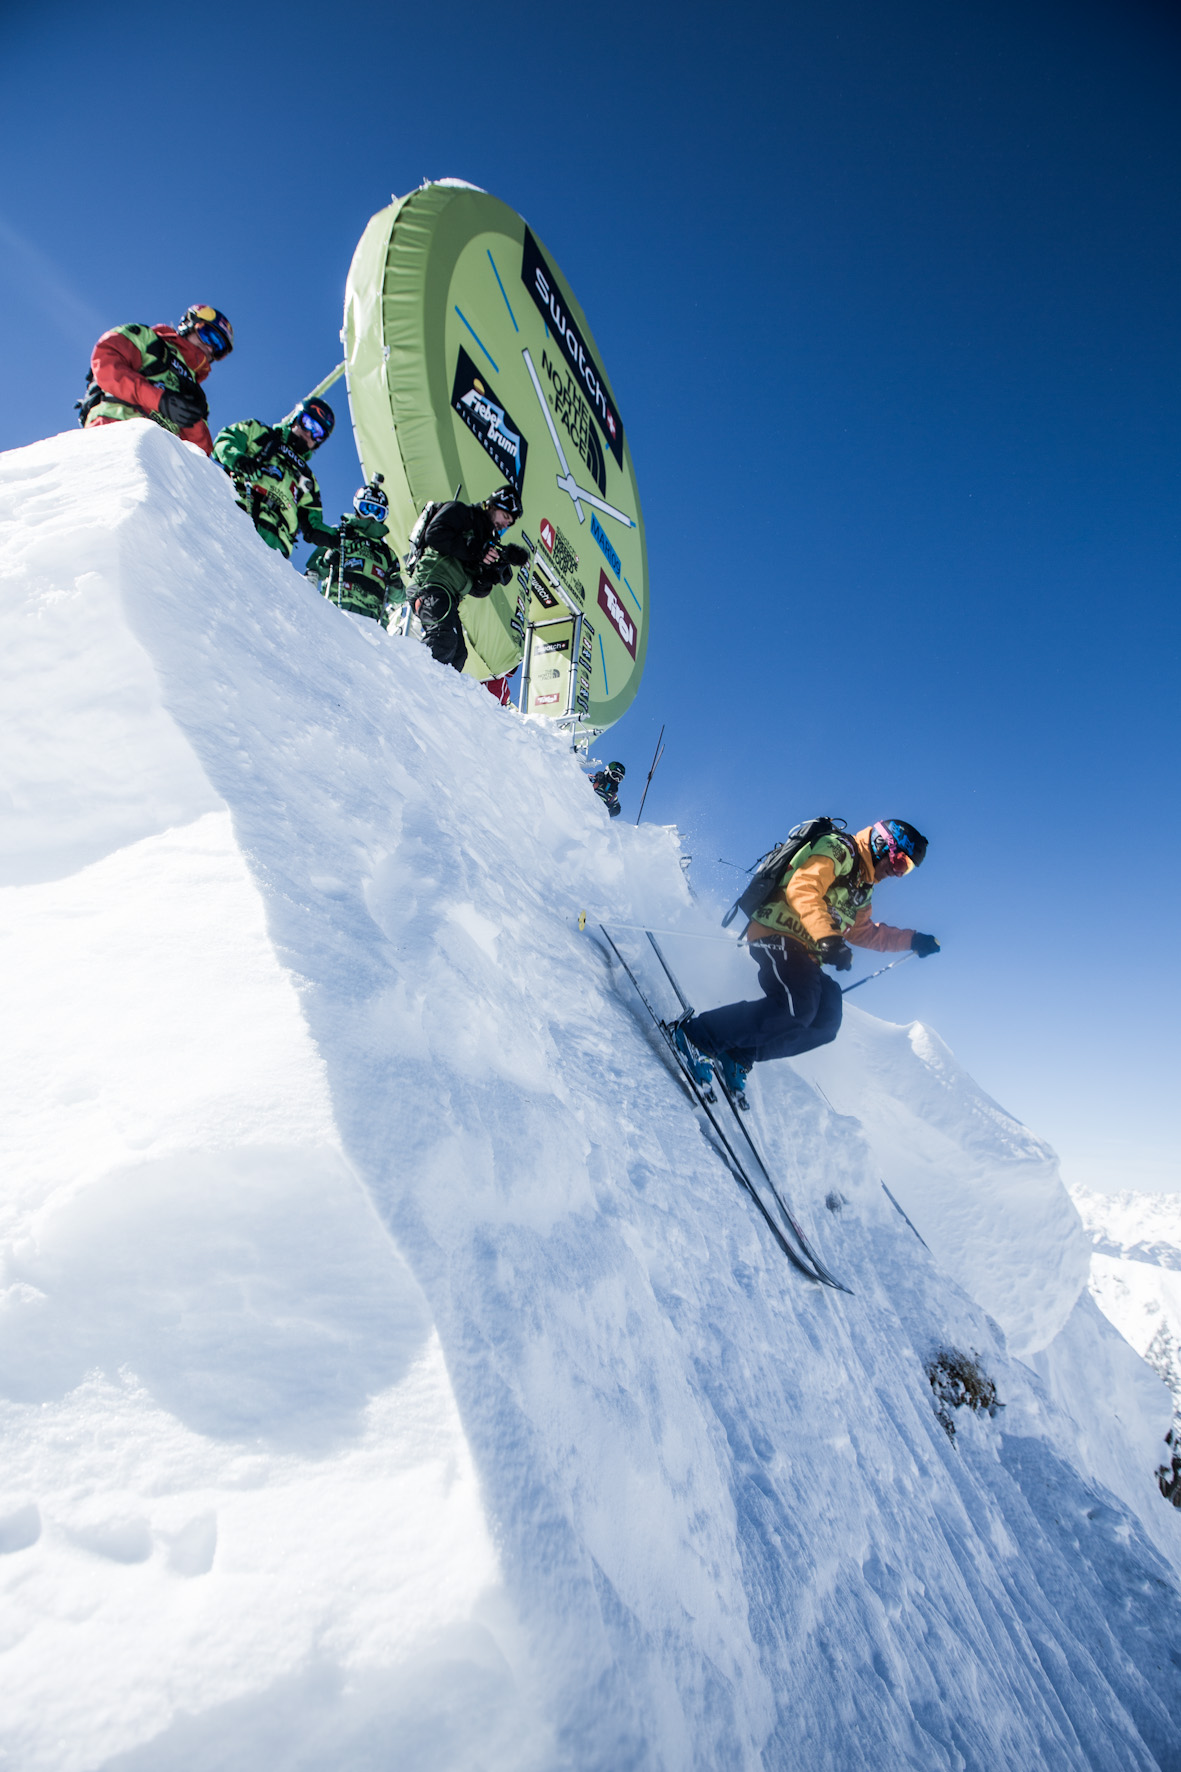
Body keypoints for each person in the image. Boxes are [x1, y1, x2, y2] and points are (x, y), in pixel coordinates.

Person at [674, 819, 940, 1100]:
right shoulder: (838, 850)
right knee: (799, 1006)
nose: (897, 873)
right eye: (899, 862)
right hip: (776, 932)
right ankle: (698, 1036)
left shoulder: (862, 890)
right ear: (881, 844)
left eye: (906, 870)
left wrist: (912, 940)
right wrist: (828, 938)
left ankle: (739, 1053)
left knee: (826, 1021)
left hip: (805, 952)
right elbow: (803, 887)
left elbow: (863, 932)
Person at [80, 304, 234, 456]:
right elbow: (107, 363)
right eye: (208, 335)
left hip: (158, 458)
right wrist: (159, 400)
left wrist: (193, 419)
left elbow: (199, 453)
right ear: (189, 324)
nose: (210, 348)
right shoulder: (148, 340)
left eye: (218, 348)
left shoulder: (197, 395)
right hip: (114, 428)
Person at [408, 484, 529, 672]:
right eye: (505, 517)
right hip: (430, 583)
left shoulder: (486, 543)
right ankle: (413, 680)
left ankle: (434, 689)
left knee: (458, 654)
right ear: (493, 505)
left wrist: (490, 575)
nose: (506, 524)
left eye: (510, 523)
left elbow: (477, 590)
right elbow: (435, 534)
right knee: (442, 638)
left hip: (449, 596)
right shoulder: (462, 513)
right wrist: (477, 549)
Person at [212, 398, 338, 558]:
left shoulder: (307, 479)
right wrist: (239, 460)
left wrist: (338, 538)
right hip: (238, 515)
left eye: (318, 433)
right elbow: (227, 439)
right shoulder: (262, 435)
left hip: (274, 550)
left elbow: (313, 524)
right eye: (308, 423)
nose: (309, 433)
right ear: (296, 418)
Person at [307, 474, 404, 624]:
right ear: (357, 507)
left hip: (372, 621)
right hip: (338, 607)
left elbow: (398, 598)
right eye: (366, 509)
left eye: (378, 512)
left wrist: (395, 583)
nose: (371, 516)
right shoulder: (340, 536)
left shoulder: (387, 554)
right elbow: (313, 571)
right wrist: (327, 560)